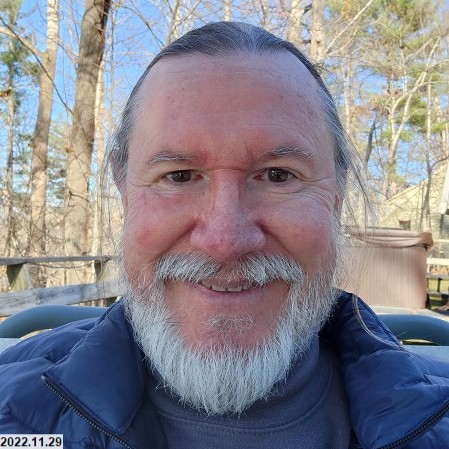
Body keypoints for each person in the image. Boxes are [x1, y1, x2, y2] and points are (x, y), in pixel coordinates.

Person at [1, 21, 449, 449]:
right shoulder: (11, 410)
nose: (225, 240)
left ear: (338, 192)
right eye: (178, 176)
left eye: (278, 175)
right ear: (123, 187)